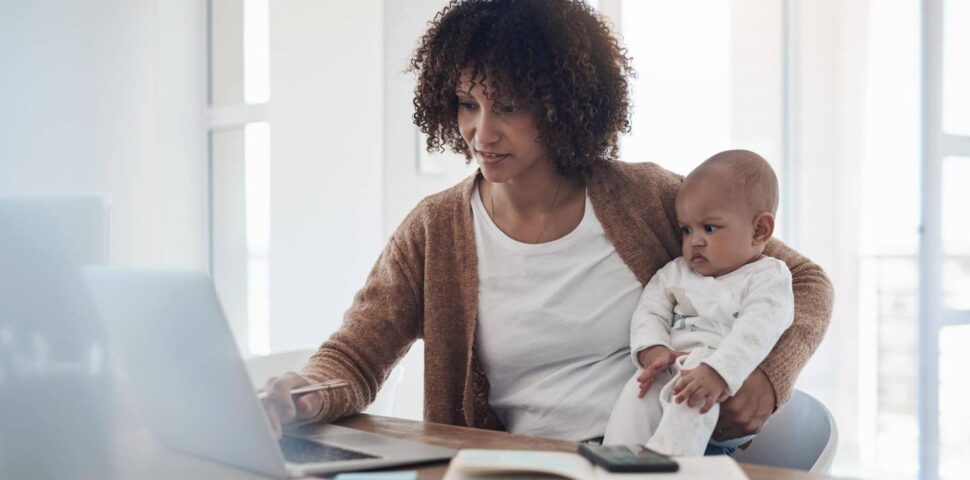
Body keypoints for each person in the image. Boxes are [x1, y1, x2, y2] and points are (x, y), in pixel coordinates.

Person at [261, 0, 833, 450]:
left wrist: (768, 379)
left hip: (644, 458)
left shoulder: (645, 198)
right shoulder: (435, 230)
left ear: (564, 103)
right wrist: (304, 391)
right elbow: (357, 356)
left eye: (508, 107)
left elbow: (804, 281)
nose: (482, 133)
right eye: (467, 104)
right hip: (512, 466)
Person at [602, 150, 793, 456]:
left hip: (725, 381)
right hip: (672, 365)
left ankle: (670, 464)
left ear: (759, 230)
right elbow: (649, 312)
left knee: (692, 395)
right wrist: (653, 350)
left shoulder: (769, 278)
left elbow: (757, 332)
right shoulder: (675, 273)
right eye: (687, 230)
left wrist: (718, 371)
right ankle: (614, 461)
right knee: (639, 390)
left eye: (710, 228)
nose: (695, 240)